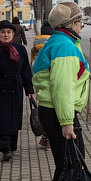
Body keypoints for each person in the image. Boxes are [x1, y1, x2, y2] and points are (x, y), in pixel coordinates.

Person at [32, 1, 91, 181]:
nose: (81, 25)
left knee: (66, 161)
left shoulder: (58, 42)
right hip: (59, 112)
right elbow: (62, 87)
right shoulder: (64, 46)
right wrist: (67, 121)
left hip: (53, 110)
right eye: (79, 21)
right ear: (70, 24)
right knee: (70, 163)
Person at [0, 21, 35, 161]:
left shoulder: (20, 49)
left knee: (13, 119)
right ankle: (5, 148)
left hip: (15, 89)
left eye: (8, 32)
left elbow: (26, 71)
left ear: (13, 34)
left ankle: (11, 146)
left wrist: (29, 89)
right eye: (3, 32)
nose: (6, 35)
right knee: (1, 119)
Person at [31, 21, 54, 149]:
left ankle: (45, 137)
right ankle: (49, 139)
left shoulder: (35, 43)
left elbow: (31, 62)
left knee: (43, 106)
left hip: (38, 78)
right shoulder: (54, 43)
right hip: (51, 78)